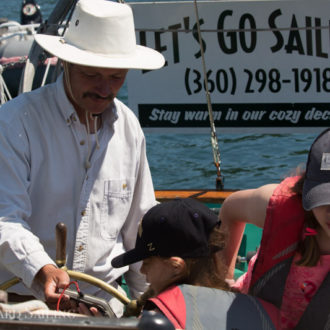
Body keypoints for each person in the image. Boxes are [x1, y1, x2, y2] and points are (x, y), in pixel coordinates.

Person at [0, 0, 165, 317]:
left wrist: (149, 305)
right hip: (24, 301)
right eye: (92, 75)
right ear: (65, 63)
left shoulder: (129, 128)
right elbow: (5, 219)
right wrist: (41, 269)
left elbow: (139, 229)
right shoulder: (13, 123)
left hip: (106, 302)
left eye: (117, 77)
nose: (105, 89)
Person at [109, 198, 280, 329]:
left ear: (176, 267)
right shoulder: (262, 309)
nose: (142, 270)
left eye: (146, 262)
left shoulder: (159, 320)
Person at [219, 128, 330, 329]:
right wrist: (223, 280)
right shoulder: (278, 206)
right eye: (324, 199)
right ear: (306, 189)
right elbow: (230, 209)